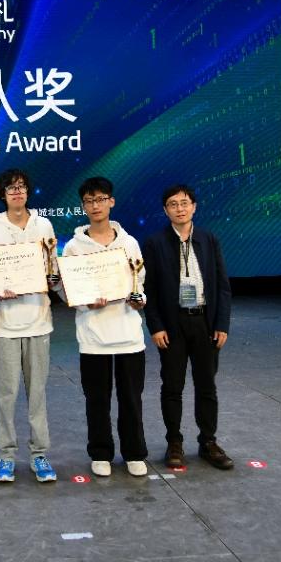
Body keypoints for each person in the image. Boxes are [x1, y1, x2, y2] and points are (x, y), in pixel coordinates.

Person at [57, 177, 148, 478]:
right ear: (83, 206)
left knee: (131, 399)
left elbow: (139, 282)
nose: (95, 205)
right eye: (89, 201)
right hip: (93, 337)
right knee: (97, 400)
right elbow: (67, 290)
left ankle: (134, 452)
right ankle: (100, 452)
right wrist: (85, 303)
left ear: (111, 202)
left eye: (100, 199)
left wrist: (139, 299)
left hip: (129, 335)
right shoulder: (73, 247)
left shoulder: (129, 243)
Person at [142, 184, 234, 470]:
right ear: (165, 210)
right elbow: (149, 289)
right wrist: (156, 326)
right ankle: (174, 442)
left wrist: (221, 323)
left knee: (207, 385)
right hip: (172, 325)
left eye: (184, 203)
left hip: (205, 321)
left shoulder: (209, 239)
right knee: (172, 386)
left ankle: (208, 442)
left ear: (194, 206)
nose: (179, 208)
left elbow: (223, 286)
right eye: (173, 204)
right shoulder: (155, 243)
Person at [0, 168, 58, 483]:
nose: (17, 192)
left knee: (37, 394)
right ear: (3, 194)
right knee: (6, 394)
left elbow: (52, 269)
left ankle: (39, 454)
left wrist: (53, 279)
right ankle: (7, 455)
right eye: (11, 188)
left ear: (28, 192)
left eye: (22, 187)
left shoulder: (44, 225)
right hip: (5, 325)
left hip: (39, 321)